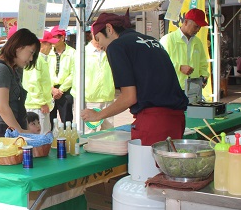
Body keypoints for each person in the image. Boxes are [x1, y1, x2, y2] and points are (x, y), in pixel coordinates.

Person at [80, 13, 188, 146]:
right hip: (177, 119)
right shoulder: (152, 40)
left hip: (153, 122)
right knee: (168, 166)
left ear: (109, 29)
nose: (100, 45)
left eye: (98, 38)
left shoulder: (116, 46)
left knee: (148, 166)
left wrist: (98, 115)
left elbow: (129, 97)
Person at [0, 28, 40, 136]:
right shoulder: (1, 70)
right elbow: (2, 107)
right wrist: (20, 131)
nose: (31, 58)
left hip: (10, 127)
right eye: (31, 52)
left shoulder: (12, 69)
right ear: (19, 47)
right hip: (3, 130)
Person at [73, 31, 115, 132]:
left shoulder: (110, 51)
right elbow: (75, 76)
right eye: (96, 36)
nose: (98, 39)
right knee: (89, 132)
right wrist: (80, 99)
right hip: (90, 99)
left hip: (107, 97)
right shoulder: (82, 52)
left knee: (108, 131)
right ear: (91, 34)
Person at [160, 8, 210, 90]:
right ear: (186, 22)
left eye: (200, 27)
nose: (197, 30)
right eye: (196, 26)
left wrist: (204, 76)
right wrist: (179, 67)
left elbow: (203, 64)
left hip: (193, 90)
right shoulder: (168, 40)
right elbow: (160, 64)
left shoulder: (198, 42)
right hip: (173, 89)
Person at [23, 31, 56, 134]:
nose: (51, 47)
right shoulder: (37, 60)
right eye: (49, 44)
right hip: (36, 105)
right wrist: (42, 103)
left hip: (37, 104)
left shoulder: (40, 59)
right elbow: (34, 83)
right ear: (41, 44)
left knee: (43, 134)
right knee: (41, 136)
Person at [48, 26, 75, 128]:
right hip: (50, 90)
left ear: (62, 38)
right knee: (50, 121)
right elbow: (44, 73)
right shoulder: (48, 52)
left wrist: (61, 89)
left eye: (55, 37)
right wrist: (52, 89)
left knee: (67, 121)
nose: (53, 41)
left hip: (65, 90)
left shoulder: (72, 53)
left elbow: (74, 73)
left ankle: (67, 142)